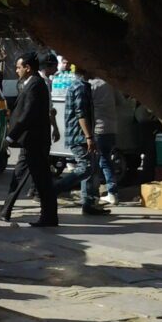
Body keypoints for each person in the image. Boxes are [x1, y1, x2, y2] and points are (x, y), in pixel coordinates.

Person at [0, 52, 58, 226]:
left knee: (42, 179)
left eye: (18, 67)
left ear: (27, 68)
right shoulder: (29, 83)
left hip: (35, 141)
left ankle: (49, 217)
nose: (16, 70)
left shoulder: (36, 85)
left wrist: (10, 137)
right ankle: (5, 210)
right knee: (18, 175)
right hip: (28, 141)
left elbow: (28, 115)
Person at [53, 66, 108, 216]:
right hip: (79, 135)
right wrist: (89, 137)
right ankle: (55, 189)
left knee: (91, 168)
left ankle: (89, 202)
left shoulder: (84, 86)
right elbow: (81, 114)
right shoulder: (80, 87)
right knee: (86, 167)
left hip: (82, 134)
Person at [89, 75, 119, 206]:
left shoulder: (91, 85)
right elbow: (120, 101)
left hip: (98, 128)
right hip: (111, 128)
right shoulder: (110, 83)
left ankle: (94, 193)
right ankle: (112, 192)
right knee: (106, 160)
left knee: (95, 163)